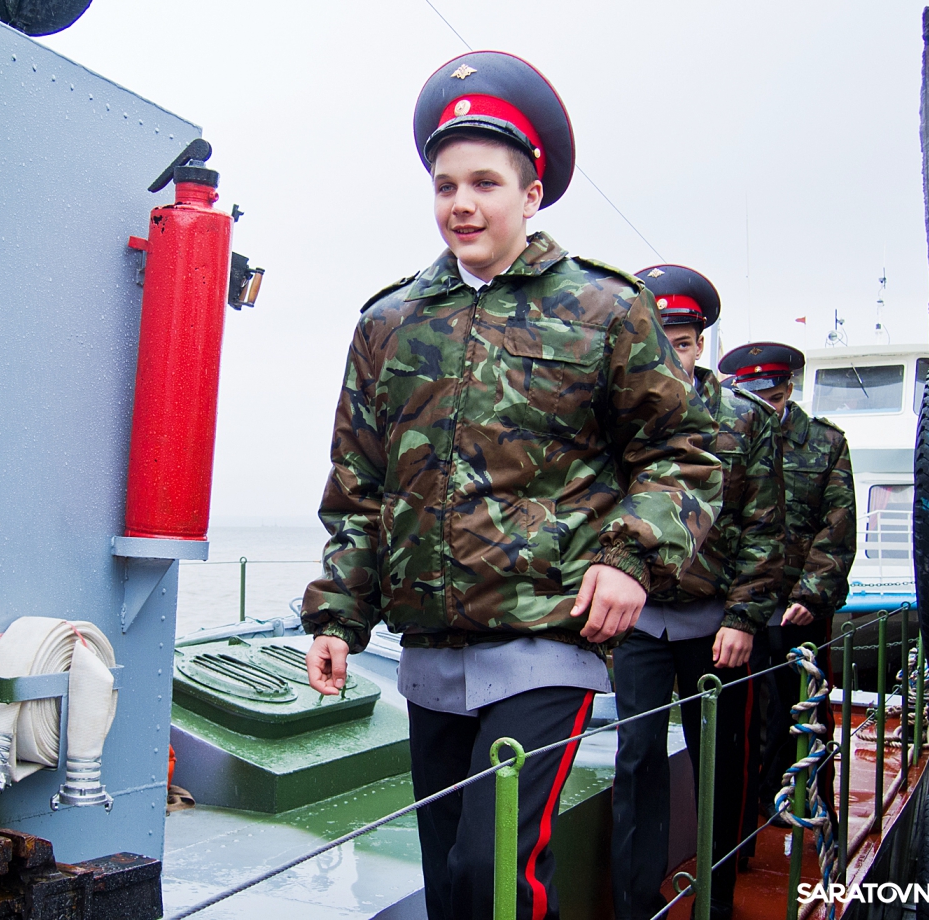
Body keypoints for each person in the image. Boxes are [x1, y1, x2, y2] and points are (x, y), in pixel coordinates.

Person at [300, 51, 723, 920]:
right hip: (430, 654)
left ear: (531, 195)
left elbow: (684, 452)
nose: (462, 203)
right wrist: (338, 617)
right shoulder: (389, 323)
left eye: (485, 184)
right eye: (446, 185)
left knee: (494, 869)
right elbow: (360, 484)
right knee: (448, 878)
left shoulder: (604, 309)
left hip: (548, 639)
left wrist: (629, 560)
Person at [610, 267, 787, 920]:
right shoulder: (616, 417)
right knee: (636, 760)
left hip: (716, 627)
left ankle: (718, 896)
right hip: (638, 624)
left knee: (721, 761)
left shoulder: (745, 419)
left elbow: (765, 526)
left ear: (700, 344)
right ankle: (635, 905)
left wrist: (743, 617)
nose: (671, 356)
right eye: (658, 342)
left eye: (681, 343)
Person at [719, 343, 856, 854]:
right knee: (748, 712)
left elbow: (838, 523)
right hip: (741, 601)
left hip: (798, 602)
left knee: (804, 706)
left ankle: (811, 805)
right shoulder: (724, 434)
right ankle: (750, 818)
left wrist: (813, 593)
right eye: (756, 399)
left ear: (789, 389)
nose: (767, 408)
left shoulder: (825, 443)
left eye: (774, 398)